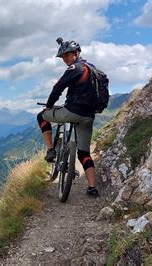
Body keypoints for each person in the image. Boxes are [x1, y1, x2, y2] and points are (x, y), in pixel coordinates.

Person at [36, 37, 99, 197]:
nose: (65, 59)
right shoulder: (93, 69)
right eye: (63, 57)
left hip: (71, 112)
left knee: (41, 116)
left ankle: (50, 150)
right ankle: (92, 188)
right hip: (89, 116)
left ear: (76, 53)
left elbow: (58, 88)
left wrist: (49, 106)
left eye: (67, 55)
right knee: (84, 153)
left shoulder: (75, 68)